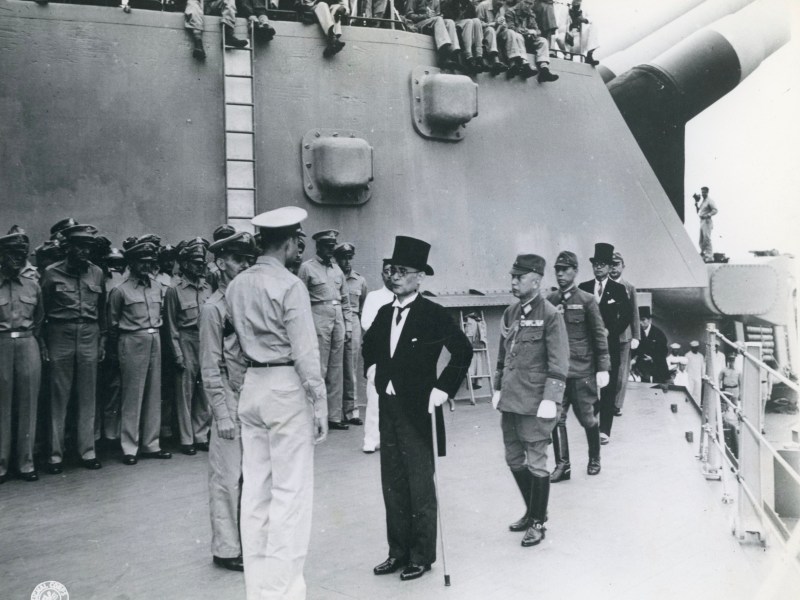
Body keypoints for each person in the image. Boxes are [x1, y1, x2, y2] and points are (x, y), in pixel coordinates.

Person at [226, 206, 328, 600]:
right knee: (291, 493)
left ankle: (258, 590)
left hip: (252, 385)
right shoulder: (290, 285)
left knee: (255, 493)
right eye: (297, 241)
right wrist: (319, 402)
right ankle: (284, 591)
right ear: (288, 242)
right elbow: (305, 350)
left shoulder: (237, 285)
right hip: (286, 386)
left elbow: (233, 346)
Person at [363, 236, 472, 581]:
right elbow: (369, 346)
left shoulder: (433, 314)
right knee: (392, 483)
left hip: (418, 410)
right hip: (389, 408)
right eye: (391, 270)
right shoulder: (384, 312)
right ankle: (397, 552)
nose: (394, 276)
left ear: (420, 276)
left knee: (419, 485)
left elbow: (463, 350)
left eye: (402, 271)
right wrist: (372, 369)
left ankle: (421, 556)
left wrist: (443, 388)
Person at [493, 253, 568, 546]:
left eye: (519, 277)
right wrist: (498, 387)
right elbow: (503, 356)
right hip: (511, 400)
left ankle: (538, 522)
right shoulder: (511, 312)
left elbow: (559, 361)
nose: (513, 282)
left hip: (537, 401)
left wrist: (551, 397)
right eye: (512, 277)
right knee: (513, 458)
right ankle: (532, 510)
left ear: (536, 281)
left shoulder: (550, 314)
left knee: (537, 462)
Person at [199, 230, 257, 573]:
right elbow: (210, 367)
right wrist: (221, 413)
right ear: (221, 263)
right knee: (226, 476)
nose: (245, 265)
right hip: (229, 399)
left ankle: (248, 541)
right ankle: (226, 548)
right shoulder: (213, 309)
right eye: (238, 259)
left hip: (253, 396)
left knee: (253, 474)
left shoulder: (247, 301)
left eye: (249, 259)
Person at [41, 223, 106, 474]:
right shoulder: (51, 273)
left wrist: (102, 340)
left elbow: (102, 310)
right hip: (60, 333)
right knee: (59, 396)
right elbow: (42, 311)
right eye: (79, 247)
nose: (84, 252)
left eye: (88, 247)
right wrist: (43, 343)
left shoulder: (97, 273)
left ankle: (87, 451)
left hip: (89, 333)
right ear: (68, 247)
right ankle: (55, 455)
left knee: (88, 395)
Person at [546, 250, 610, 481]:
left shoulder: (586, 300)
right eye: (557, 270)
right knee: (556, 418)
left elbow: (599, 335)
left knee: (588, 419)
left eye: (565, 270)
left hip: (582, 371)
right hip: (558, 373)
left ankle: (594, 458)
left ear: (575, 271)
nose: (560, 274)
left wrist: (603, 367)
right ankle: (563, 466)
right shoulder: (550, 301)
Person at [107, 241, 172, 465]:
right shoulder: (120, 290)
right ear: (132, 263)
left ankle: (151, 444)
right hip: (131, 340)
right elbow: (112, 324)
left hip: (155, 339)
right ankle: (129, 446)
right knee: (132, 395)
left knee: (154, 393)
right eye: (141, 262)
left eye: (149, 262)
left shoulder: (157, 287)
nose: (146, 266)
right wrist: (116, 351)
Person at [0, 229, 45, 483]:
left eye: (22, 253)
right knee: (2, 405)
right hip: (2, 344)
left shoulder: (33, 285)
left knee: (28, 403)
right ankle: (1, 463)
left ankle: (26, 462)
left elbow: (40, 318)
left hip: (28, 343)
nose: (18, 258)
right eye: (12, 253)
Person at [298, 229, 352, 430]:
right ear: (318, 247)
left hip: (337, 318)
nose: (330, 250)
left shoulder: (337, 270)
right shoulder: (307, 268)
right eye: (327, 246)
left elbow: (345, 300)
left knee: (336, 369)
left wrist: (347, 326)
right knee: (318, 368)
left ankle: (334, 416)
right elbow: (300, 299)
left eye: (332, 246)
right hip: (318, 316)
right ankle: (315, 415)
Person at [578, 242, 631, 444]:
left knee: (608, 388)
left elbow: (626, 316)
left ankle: (605, 430)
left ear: (609, 267)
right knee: (589, 388)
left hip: (610, 347)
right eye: (596, 264)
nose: (598, 268)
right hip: (588, 348)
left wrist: (611, 331)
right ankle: (592, 425)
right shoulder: (583, 288)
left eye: (602, 264)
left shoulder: (619, 290)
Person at [165, 238, 213, 455]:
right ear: (184, 264)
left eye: (202, 262)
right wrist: (177, 353)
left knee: (204, 390)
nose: (200, 266)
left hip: (205, 340)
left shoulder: (207, 288)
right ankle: (186, 439)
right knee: (185, 391)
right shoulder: (174, 290)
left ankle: (201, 435)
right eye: (195, 262)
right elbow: (171, 325)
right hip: (185, 340)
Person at [360, 258, 394, 453]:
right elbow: (366, 323)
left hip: (400, 354)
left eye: (393, 271)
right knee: (375, 398)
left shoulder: (405, 296)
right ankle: (371, 439)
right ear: (382, 274)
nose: (390, 275)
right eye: (386, 271)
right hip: (380, 354)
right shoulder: (374, 297)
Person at [333, 242, 368, 426]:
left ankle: (351, 411)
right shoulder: (332, 277)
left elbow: (362, 305)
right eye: (343, 258)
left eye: (349, 258)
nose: (347, 262)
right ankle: (333, 412)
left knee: (350, 368)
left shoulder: (359, 280)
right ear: (336, 259)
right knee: (333, 367)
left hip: (353, 320)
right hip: (335, 320)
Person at [609, 251, 639, 416]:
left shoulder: (629, 287)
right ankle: (604, 402)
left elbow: (634, 313)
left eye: (617, 265)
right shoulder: (602, 286)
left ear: (623, 266)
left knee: (621, 374)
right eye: (611, 265)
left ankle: (616, 404)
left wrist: (636, 336)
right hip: (606, 336)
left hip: (624, 337)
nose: (613, 268)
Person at [476, 0, 536, 79]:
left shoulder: (501, 8)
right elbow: (477, 24)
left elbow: (503, 27)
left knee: (510, 32)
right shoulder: (483, 6)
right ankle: (495, 61)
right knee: (490, 30)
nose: (502, 2)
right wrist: (494, 24)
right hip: (483, 34)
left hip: (496, 34)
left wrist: (502, 26)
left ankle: (513, 64)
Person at [504, 0, 559, 82]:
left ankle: (544, 69)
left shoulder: (530, 14)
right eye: (526, 2)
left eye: (530, 3)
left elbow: (538, 30)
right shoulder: (511, 11)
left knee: (543, 41)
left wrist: (533, 32)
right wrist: (525, 31)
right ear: (520, 1)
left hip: (527, 41)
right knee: (518, 36)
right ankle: (525, 64)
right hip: (515, 43)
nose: (528, 5)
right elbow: (510, 27)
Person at [406, 0, 463, 71]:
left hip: (432, 23)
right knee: (438, 19)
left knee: (450, 22)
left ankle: (454, 52)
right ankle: (443, 54)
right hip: (418, 24)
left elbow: (438, 15)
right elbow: (408, 15)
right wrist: (425, 16)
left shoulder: (436, 1)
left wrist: (439, 15)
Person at [633, 306, 668, 383]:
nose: (640, 323)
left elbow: (664, 351)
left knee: (657, 386)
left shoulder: (658, 333)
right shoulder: (636, 333)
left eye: (643, 320)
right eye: (638, 320)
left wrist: (652, 358)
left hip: (657, 366)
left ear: (649, 320)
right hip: (641, 368)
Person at [695, 186, 718, 262]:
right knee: (701, 239)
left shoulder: (709, 201)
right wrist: (696, 203)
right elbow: (699, 212)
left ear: (707, 192)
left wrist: (708, 215)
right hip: (702, 221)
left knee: (707, 238)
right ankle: (704, 254)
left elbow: (715, 210)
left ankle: (710, 256)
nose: (703, 194)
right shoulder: (703, 201)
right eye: (702, 192)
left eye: (704, 192)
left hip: (707, 221)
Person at [685, 340, 705, 405]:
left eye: (696, 347)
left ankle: (697, 405)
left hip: (698, 377)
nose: (695, 349)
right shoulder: (687, 355)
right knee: (690, 391)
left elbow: (703, 367)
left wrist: (702, 376)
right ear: (691, 348)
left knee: (697, 393)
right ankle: (689, 406)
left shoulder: (700, 356)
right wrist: (685, 376)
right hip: (689, 377)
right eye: (694, 348)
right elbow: (685, 367)